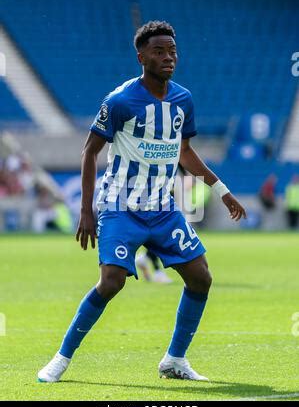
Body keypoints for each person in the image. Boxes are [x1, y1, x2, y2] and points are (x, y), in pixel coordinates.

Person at [38, 21, 246, 383]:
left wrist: (221, 190)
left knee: (200, 278)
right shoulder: (120, 100)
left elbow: (185, 152)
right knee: (112, 281)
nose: (168, 58)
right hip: (120, 205)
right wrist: (86, 211)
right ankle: (61, 358)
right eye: (159, 51)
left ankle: (175, 360)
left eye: (172, 51)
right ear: (141, 57)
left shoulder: (183, 100)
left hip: (163, 208)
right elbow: (89, 153)